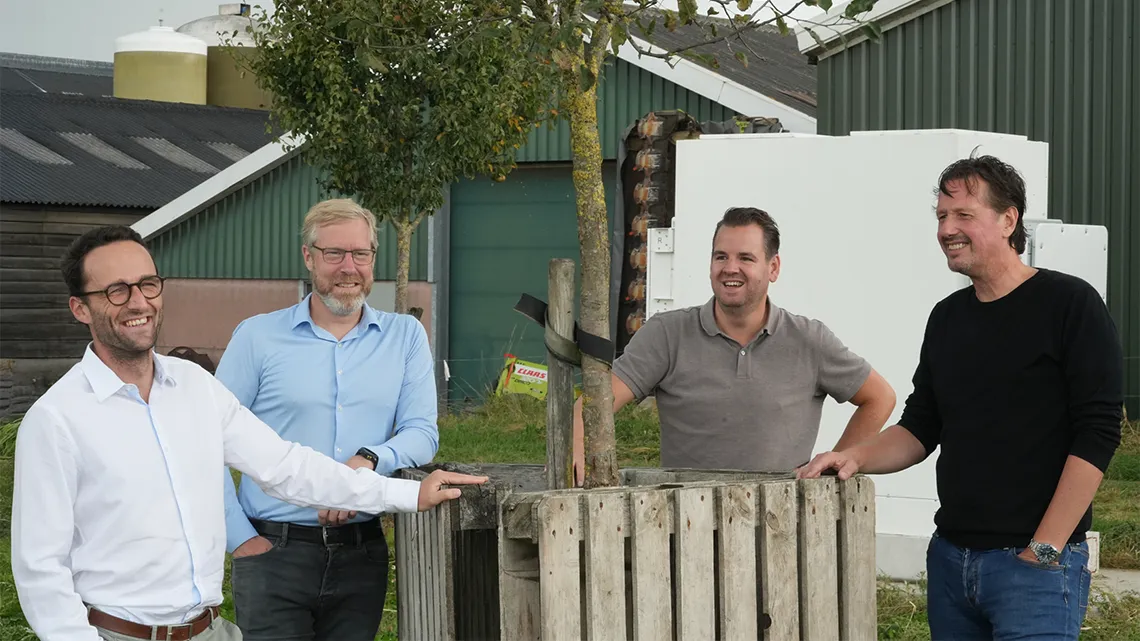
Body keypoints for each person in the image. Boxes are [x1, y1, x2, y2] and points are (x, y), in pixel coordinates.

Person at [10, 225, 484, 641]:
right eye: (116, 290)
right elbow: (40, 570)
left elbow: (287, 468)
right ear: (80, 308)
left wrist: (407, 493)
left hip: (209, 630)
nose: (139, 302)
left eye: (148, 284)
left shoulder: (194, 387)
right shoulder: (57, 421)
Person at [798, 155, 1125, 640]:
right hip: (952, 561)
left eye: (963, 215)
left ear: (1008, 219)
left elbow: (1098, 432)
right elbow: (920, 426)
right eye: (941, 216)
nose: (947, 228)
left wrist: (1047, 549)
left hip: (1033, 570)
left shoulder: (1069, 305)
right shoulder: (947, 317)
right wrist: (851, 457)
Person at [215, 198, 439, 641]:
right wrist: (240, 539)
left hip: (362, 553)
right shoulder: (257, 337)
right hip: (273, 551)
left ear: (374, 258)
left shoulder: (406, 336)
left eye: (360, 254)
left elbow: (423, 432)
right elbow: (207, 442)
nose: (348, 267)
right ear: (308, 257)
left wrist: (370, 458)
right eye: (333, 254)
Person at [573, 206, 896, 484]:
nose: (730, 268)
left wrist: (836, 465)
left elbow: (880, 398)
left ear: (773, 268)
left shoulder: (809, 339)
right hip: (685, 525)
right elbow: (594, 403)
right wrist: (575, 461)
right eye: (721, 256)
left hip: (779, 529)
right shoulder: (667, 334)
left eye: (746, 258)